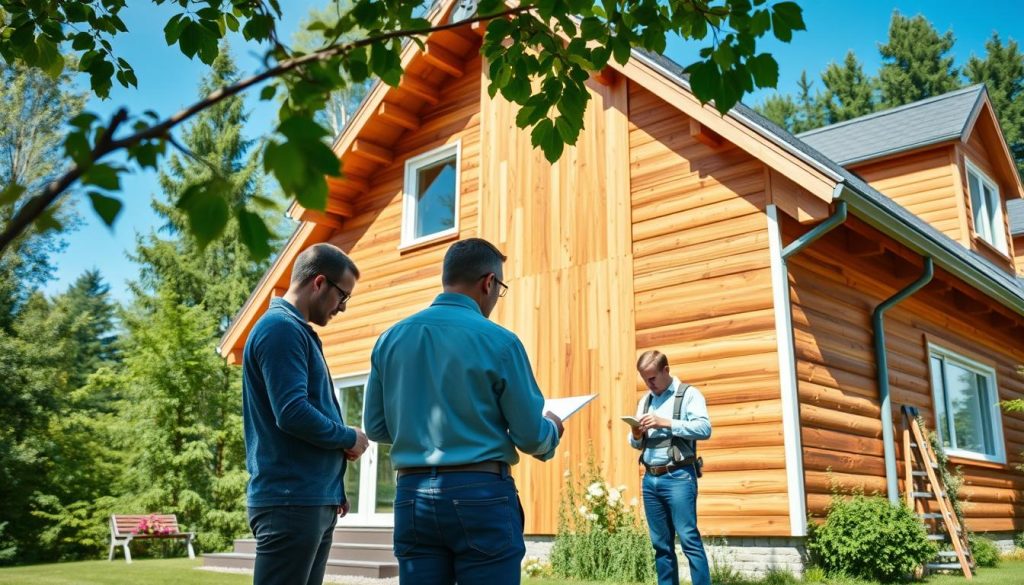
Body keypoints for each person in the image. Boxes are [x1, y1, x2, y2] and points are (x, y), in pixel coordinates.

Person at [363, 237, 564, 585]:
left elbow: (377, 427)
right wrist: (552, 431)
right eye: (499, 288)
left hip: (412, 496)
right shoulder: (500, 342)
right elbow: (530, 436)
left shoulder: (390, 340)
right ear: (488, 283)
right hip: (480, 493)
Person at [242, 243, 370, 585]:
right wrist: (349, 436)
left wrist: (333, 490)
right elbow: (292, 412)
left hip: (310, 499)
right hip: (290, 501)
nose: (342, 307)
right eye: (342, 295)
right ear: (318, 283)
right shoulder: (280, 329)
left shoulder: (295, 331)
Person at [629, 350, 712, 585]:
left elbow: (704, 429)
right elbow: (636, 444)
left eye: (652, 378)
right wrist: (636, 434)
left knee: (688, 539)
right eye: (645, 379)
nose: (649, 383)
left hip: (678, 477)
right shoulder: (645, 401)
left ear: (666, 370)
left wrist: (665, 422)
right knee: (661, 545)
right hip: (650, 479)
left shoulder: (689, 395)